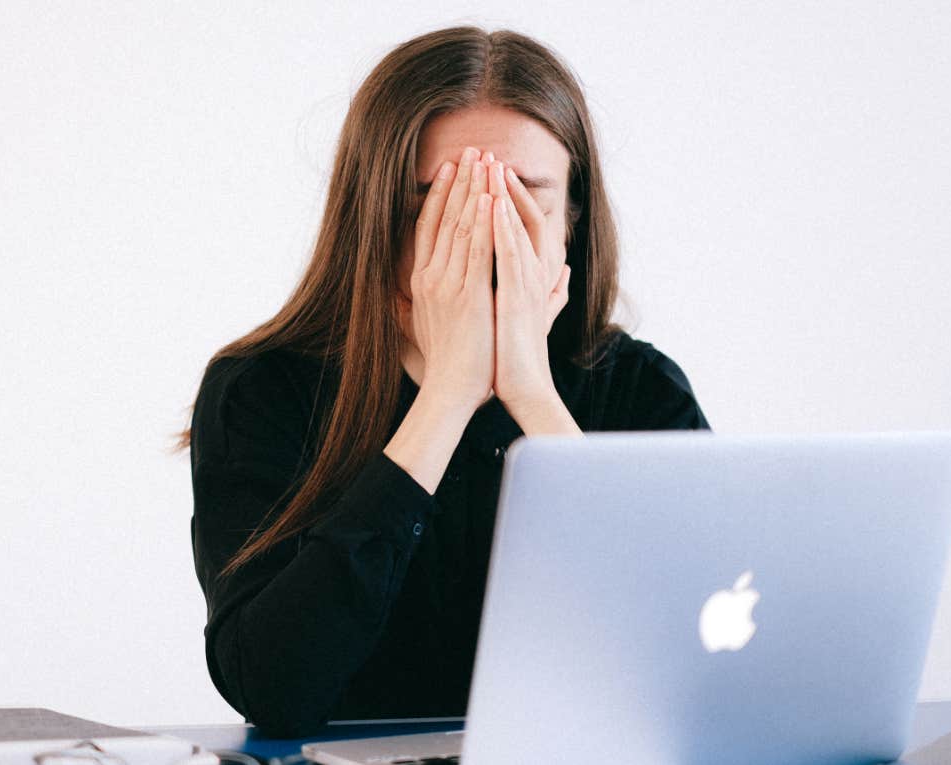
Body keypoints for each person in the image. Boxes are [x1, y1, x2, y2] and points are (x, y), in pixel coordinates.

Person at [171, 25, 711, 738]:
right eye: (442, 205)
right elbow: (273, 686)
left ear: (572, 220)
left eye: (524, 202)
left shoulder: (641, 390)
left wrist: (531, 395)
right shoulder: (261, 391)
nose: (484, 237)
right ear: (376, 219)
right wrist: (447, 397)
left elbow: (692, 664)